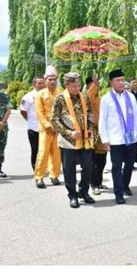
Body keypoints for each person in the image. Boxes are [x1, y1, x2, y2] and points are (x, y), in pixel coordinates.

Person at [51, 72, 95, 208]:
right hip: (67, 141)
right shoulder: (59, 98)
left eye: (79, 85)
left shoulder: (83, 96)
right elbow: (54, 119)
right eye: (74, 85)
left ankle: (83, 191)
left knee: (88, 165)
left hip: (84, 139)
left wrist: (90, 127)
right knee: (69, 169)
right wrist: (69, 133)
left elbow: (89, 113)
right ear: (67, 85)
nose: (78, 88)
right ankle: (73, 195)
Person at [99, 69, 137, 204]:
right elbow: (102, 121)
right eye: (118, 80)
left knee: (129, 165)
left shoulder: (130, 97)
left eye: (122, 80)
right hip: (115, 139)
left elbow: (136, 117)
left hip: (130, 137)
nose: (121, 83)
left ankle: (125, 185)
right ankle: (118, 193)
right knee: (116, 166)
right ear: (111, 83)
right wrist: (104, 139)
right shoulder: (106, 99)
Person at [33, 66, 62, 188]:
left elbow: (64, 111)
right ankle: (39, 177)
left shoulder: (61, 93)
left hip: (59, 129)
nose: (52, 81)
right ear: (45, 80)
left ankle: (54, 175)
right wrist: (48, 126)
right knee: (43, 152)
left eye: (54, 79)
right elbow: (39, 112)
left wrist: (59, 126)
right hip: (45, 130)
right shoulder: (40, 94)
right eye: (50, 79)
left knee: (57, 153)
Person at [85, 76, 109, 195]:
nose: (97, 87)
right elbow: (89, 95)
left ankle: (99, 182)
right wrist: (94, 84)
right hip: (91, 132)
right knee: (92, 161)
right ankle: (93, 185)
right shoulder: (86, 98)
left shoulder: (101, 99)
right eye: (94, 85)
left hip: (102, 132)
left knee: (102, 160)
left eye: (97, 85)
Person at [20, 77, 45, 171]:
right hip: (33, 128)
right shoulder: (28, 97)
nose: (42, 85)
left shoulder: (47, 95)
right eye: (39, 83)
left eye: (43, 83)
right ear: (34, 84)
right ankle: (35, 167)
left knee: (44, 149)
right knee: (35, 149)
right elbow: (23, 111)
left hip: (46, 128)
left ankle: (44, 166)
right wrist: (30, 120)